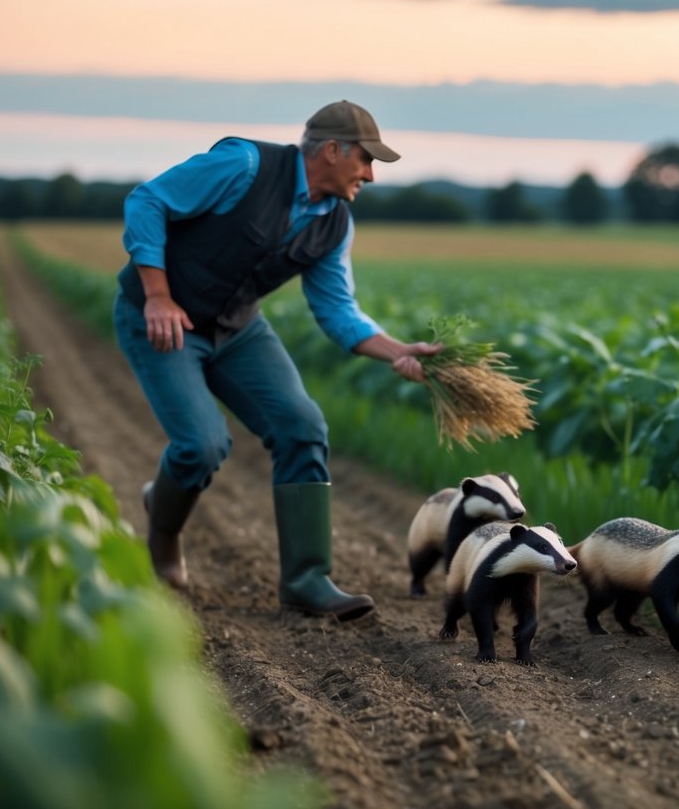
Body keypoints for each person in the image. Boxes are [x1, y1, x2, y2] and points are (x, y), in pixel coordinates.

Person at [115, 100, 441, 621]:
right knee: (201, 445)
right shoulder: (242, 166)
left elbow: (337, 311)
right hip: (162, 319)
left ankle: (307, 579)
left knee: (302, 426)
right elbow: (148, 202)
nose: (372, 175)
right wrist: (157, 294)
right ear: (332, 151)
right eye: (366, 159)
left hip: (238, 330)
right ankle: (164, 526)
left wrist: (398, 351)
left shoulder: (334, 224)